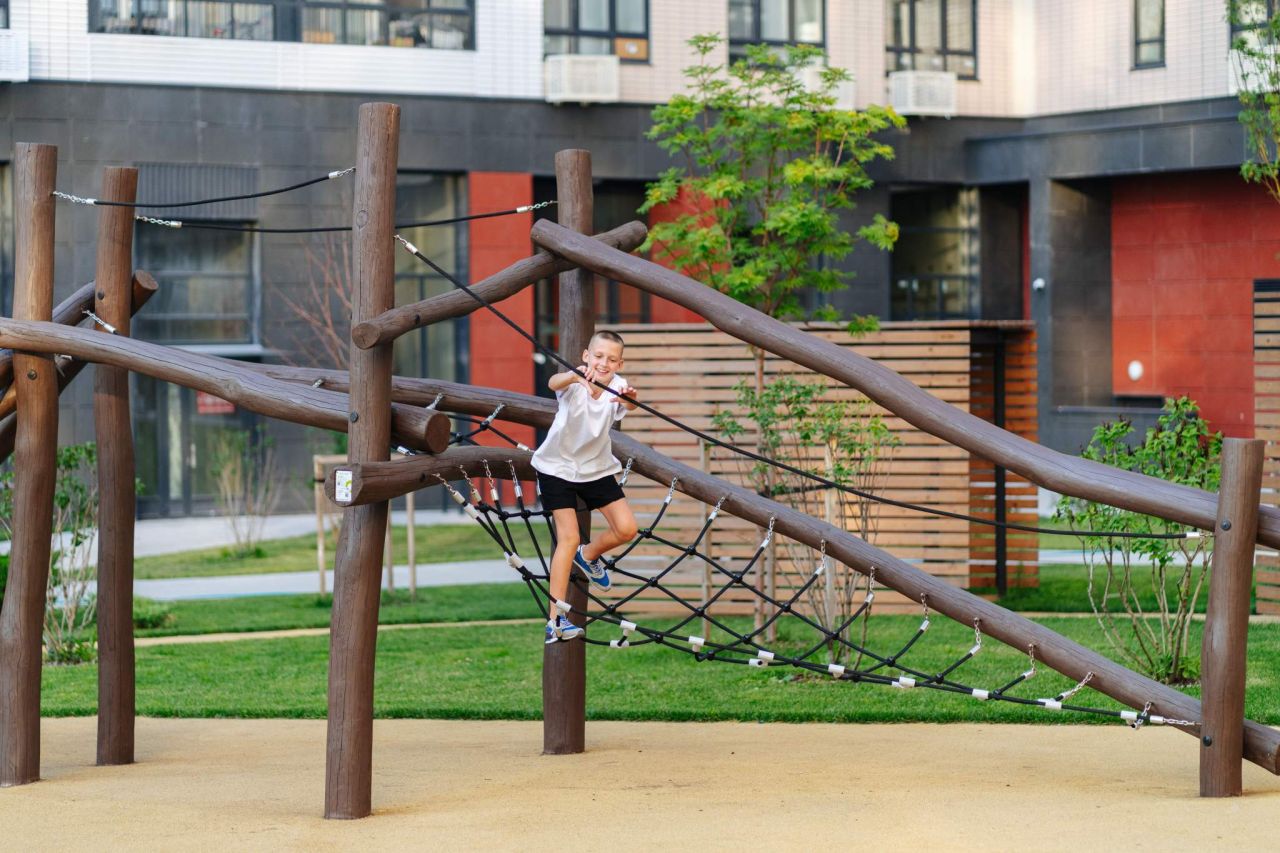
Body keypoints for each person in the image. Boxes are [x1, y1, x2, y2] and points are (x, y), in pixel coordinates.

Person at [531, 329, 640, 644]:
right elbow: (553, 383)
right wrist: (573, 376)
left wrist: (631, 400)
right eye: (599, 356)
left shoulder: (617, 385)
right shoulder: (574, 380)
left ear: (620, 364)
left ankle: (589, 556)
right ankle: (556, 620)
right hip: (557, 468)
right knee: (568, 537)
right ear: (586, 356)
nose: (604, 363)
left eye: (612, 359)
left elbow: (628, 403)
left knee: (627, 529)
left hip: (595, 468)